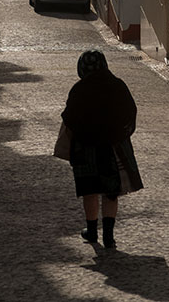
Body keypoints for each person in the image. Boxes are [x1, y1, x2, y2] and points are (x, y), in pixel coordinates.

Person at [61, 50, 143, 248]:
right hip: (113, 148)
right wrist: (122, 135)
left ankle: (91, 231)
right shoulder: (118, 86)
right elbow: (130, 114)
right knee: (111, 192)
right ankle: (108, 235)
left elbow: (69, 118)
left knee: (90, 191)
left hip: (85, 150)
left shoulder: (79, 90)